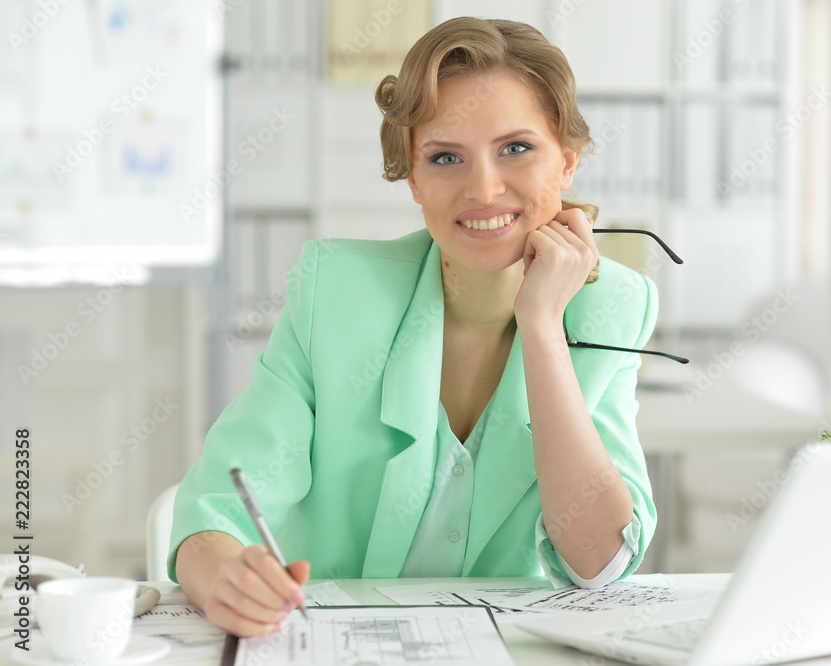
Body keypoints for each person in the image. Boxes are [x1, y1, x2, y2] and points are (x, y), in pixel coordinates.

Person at [169, 16, 658, 638]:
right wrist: (226, 578)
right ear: (415, 180)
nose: (484, 188)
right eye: (446, 157)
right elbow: (214, 516)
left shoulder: (614, 305)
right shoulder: (336, 294)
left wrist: (541, 326)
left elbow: (600, 561)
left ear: (566, 161)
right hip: (334, 642)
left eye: (516, 148)